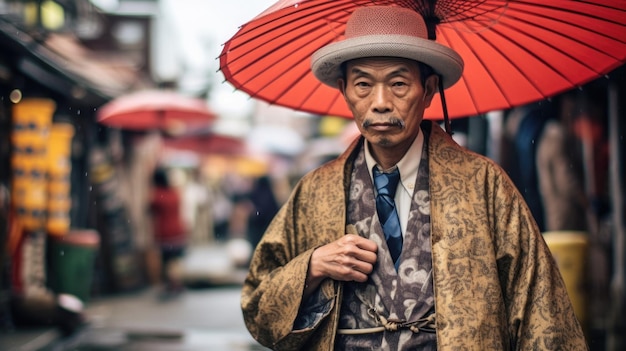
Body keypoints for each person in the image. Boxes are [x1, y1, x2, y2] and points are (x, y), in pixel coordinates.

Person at [241, 6, 587, 350]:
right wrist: (313, 266)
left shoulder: (484, 185)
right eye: (363, 84)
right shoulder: (314, 193)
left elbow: (544, 317)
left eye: (398, 83)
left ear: (429, 88)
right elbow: (258, 309)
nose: (379, 102)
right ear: (344, 89)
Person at [149, 167, 187, 298]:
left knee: (167, 259)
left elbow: (151, 208)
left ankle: (172, 284)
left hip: (165, 232)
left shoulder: (157, 195)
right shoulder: (174, 193)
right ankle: (176, 283)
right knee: (175, 259)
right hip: (177, 230)